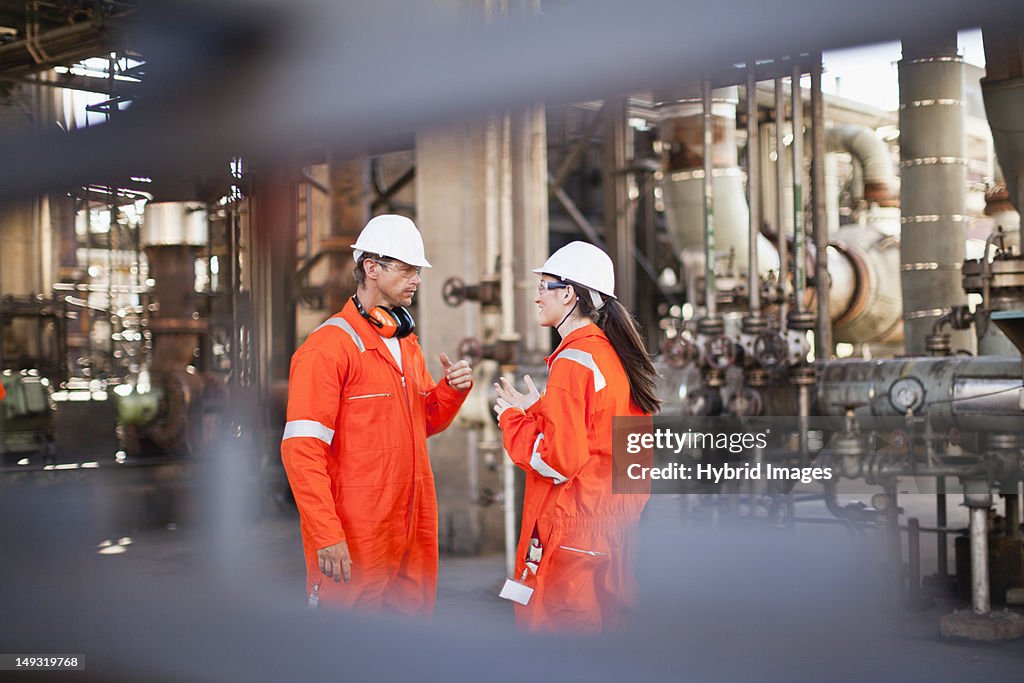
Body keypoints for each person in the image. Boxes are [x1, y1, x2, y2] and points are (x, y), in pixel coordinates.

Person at [281, 214, 473, 617]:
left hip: (412, 531)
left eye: (417, 271)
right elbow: (302, 450)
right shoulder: (327, 349)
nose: (416, 280)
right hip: (355, 538)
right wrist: (325, 533)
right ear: (371, 268)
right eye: (407, 270)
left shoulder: (406, 346)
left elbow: (424, 422)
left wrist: (450, 392)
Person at [493, 241, 660, 632]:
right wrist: (542, 411)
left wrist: (515, 422)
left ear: (568, 293)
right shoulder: (612, 358)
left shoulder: (572, 361)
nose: (536, 298)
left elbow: (558, 461)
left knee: (563, 652)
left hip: (571, 535)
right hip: (610, 531)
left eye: (543, 287)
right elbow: (612, 446)